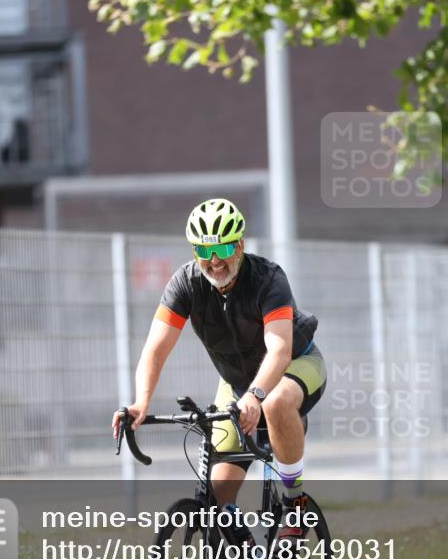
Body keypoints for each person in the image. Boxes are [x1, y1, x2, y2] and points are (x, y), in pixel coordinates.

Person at [111, 197, 325, 537]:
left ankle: (295, 504)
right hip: (237, 383)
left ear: (239, 245)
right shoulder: (185, 283)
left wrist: (256, 395)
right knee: (217, 496)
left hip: (294, 366)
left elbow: (280, 349)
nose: (214, 261)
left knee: (275, 403)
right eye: (203, 250)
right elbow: (155, 349)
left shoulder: (268, 279)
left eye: (223, 247)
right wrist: (141, 402)